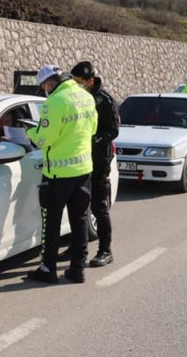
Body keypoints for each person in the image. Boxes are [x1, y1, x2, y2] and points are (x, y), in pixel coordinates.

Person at [24, 64, 98, 284]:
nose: (45, 90)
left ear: (49, 84)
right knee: (80, 220)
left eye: (44, 87)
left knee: (52, 222)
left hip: (57, 173)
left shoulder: (54, 102)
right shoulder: (85, 96)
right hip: (83, 170)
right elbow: (92, 129)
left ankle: (48, 269)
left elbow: (45, 138)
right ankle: (78, 269)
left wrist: (29, 132)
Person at [68, 61, 119, 267]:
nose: (76, 85)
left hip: (98, 161)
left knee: (99, 207)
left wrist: (93, 140)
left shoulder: (105, 101)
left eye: (79, 82)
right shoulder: (75, 98)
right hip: (79, 161)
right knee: (78, 206)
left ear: (90, 81)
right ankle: (76, 246)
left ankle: (105, 250)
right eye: (74, 81)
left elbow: (113, 131)